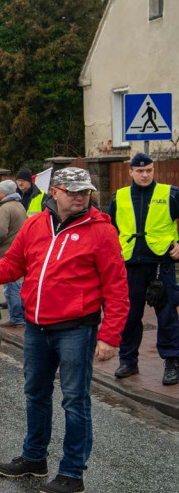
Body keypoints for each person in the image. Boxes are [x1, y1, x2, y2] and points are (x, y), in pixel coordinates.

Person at [0, 167, 127, 493]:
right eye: (73, 191)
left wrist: (110, 336)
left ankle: (72, 473)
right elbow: (10, 266)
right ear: (56, 192)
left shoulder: (101, 231)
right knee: (35, 393)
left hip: (77, 328)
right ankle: (35, 458)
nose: (80, 197)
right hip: (37, 326)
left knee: (75, 401)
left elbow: (117, 288)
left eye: (85, 192)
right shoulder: (36, 224)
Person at [107, 152, 179, 386]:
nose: (145, 174)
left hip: (161, 265)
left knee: (167, 315)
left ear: (153, 170)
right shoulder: (120, 197)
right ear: (130, 172)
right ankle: (128, 361)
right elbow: (109, 230)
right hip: (130, 265)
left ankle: (171, 362)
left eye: (148, 170)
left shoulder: (169, 193)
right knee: (129, 315)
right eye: (139, 171)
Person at [0, 180, 27, 327]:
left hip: (8, 251)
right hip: (18, 249)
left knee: (11, 286)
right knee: (17, 285)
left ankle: (17, 318)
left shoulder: (5, 208)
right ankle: (21, 314)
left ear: (4, 192)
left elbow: (0, 232)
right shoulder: (19, 205)